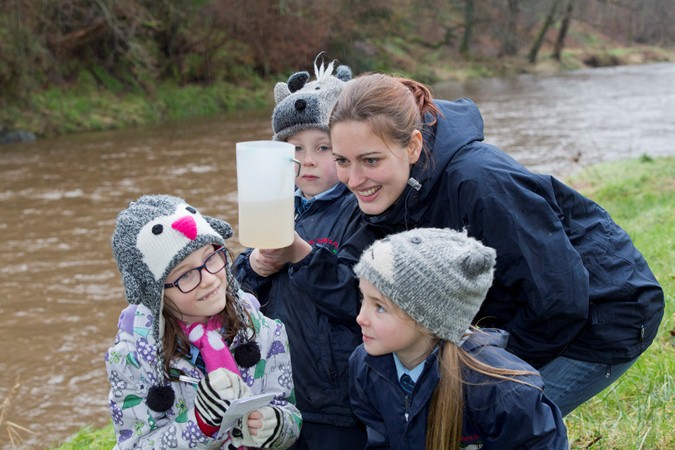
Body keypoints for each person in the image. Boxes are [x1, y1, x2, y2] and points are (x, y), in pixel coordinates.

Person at [329, 72, 665, 417]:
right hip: (525, 304)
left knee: (488, 423)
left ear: (413, 145)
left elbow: (559, 299)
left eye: (370, 160)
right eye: (341, 161)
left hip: (602, 313)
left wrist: (479, 370)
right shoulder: (384, 186)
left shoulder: (481, 182)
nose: (353, 180)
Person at [234, 56, 373, 449]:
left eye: (323, 147)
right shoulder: (273, 204)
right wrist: (256, 266)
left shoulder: (359, 210)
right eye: (295, 149)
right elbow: (238, 298)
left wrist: (300, 254)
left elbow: (357, 297)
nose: (307, 160)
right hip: (278, 390)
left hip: (340, 399)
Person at [106, 194, 301, 449]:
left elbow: (287, 409)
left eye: (211, 257)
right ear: (155, 294)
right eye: (185, 275)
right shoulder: (132, 359)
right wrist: (201, 425)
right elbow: (134, 444)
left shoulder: (263, 330)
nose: (209, 278)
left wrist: (277, 425)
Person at [350, 227, 569, 449]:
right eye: (363, 298)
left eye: (379, 307)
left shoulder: (504, 393)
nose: (360, 317)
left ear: (429, 318)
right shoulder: (366, 365)